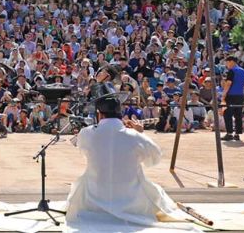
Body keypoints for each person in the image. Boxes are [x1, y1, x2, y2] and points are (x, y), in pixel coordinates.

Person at [65, 88, 189, 226]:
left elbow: (83, 148)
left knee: (80, 184)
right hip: (131, 198)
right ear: (121, 114)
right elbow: (154, 158)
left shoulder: (86, 133)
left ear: (100, 115)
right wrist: (140, 133)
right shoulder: (134, 136)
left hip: (95, 195)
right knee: (155, 191)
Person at [222, 55, 244, 141]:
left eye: (227, 62)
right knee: (238, 115)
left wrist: (224, 95)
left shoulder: (232, 71)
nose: (227, 64)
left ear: (231, 61)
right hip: (240, 95)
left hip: (231, 95)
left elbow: (228, 83)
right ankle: (237, 134)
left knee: (227, 114)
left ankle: (229, 133)